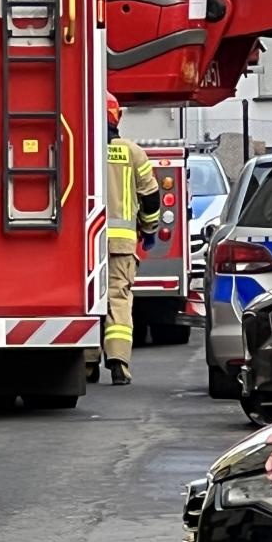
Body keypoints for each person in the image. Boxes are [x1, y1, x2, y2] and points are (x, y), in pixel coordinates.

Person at [92, 93, 160, 387]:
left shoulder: (82, 148)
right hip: (121, 245)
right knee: (118, 298)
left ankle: (87, 362)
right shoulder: (133, 152)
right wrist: (150, 228)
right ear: (116, 116)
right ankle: (119, 361)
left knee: (86, 300)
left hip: (86, 244)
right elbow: (151, 196)